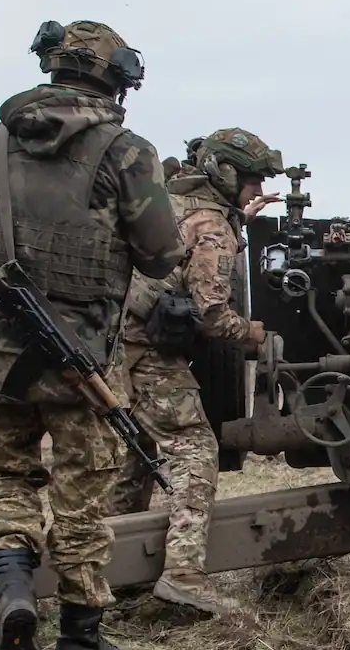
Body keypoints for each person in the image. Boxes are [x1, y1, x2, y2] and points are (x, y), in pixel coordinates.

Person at [0, 21, 184, 650]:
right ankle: (81, 635)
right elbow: (161, 252)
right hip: (77, 354)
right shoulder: (127, 151)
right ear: (117, 79)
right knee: (83, 490)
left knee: (8, 477)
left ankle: (15, 591)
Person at [106, 128, 281, 615]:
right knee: (196, 449)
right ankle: (183, 574)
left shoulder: (174, 202)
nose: (255, 189)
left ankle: (108, 571)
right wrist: (254, 334)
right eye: (251, 181)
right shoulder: (212, 226)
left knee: (138, 454)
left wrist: (237, 223)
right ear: (226, 176)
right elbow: (211, 315)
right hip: (149, 354)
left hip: (116, 347)